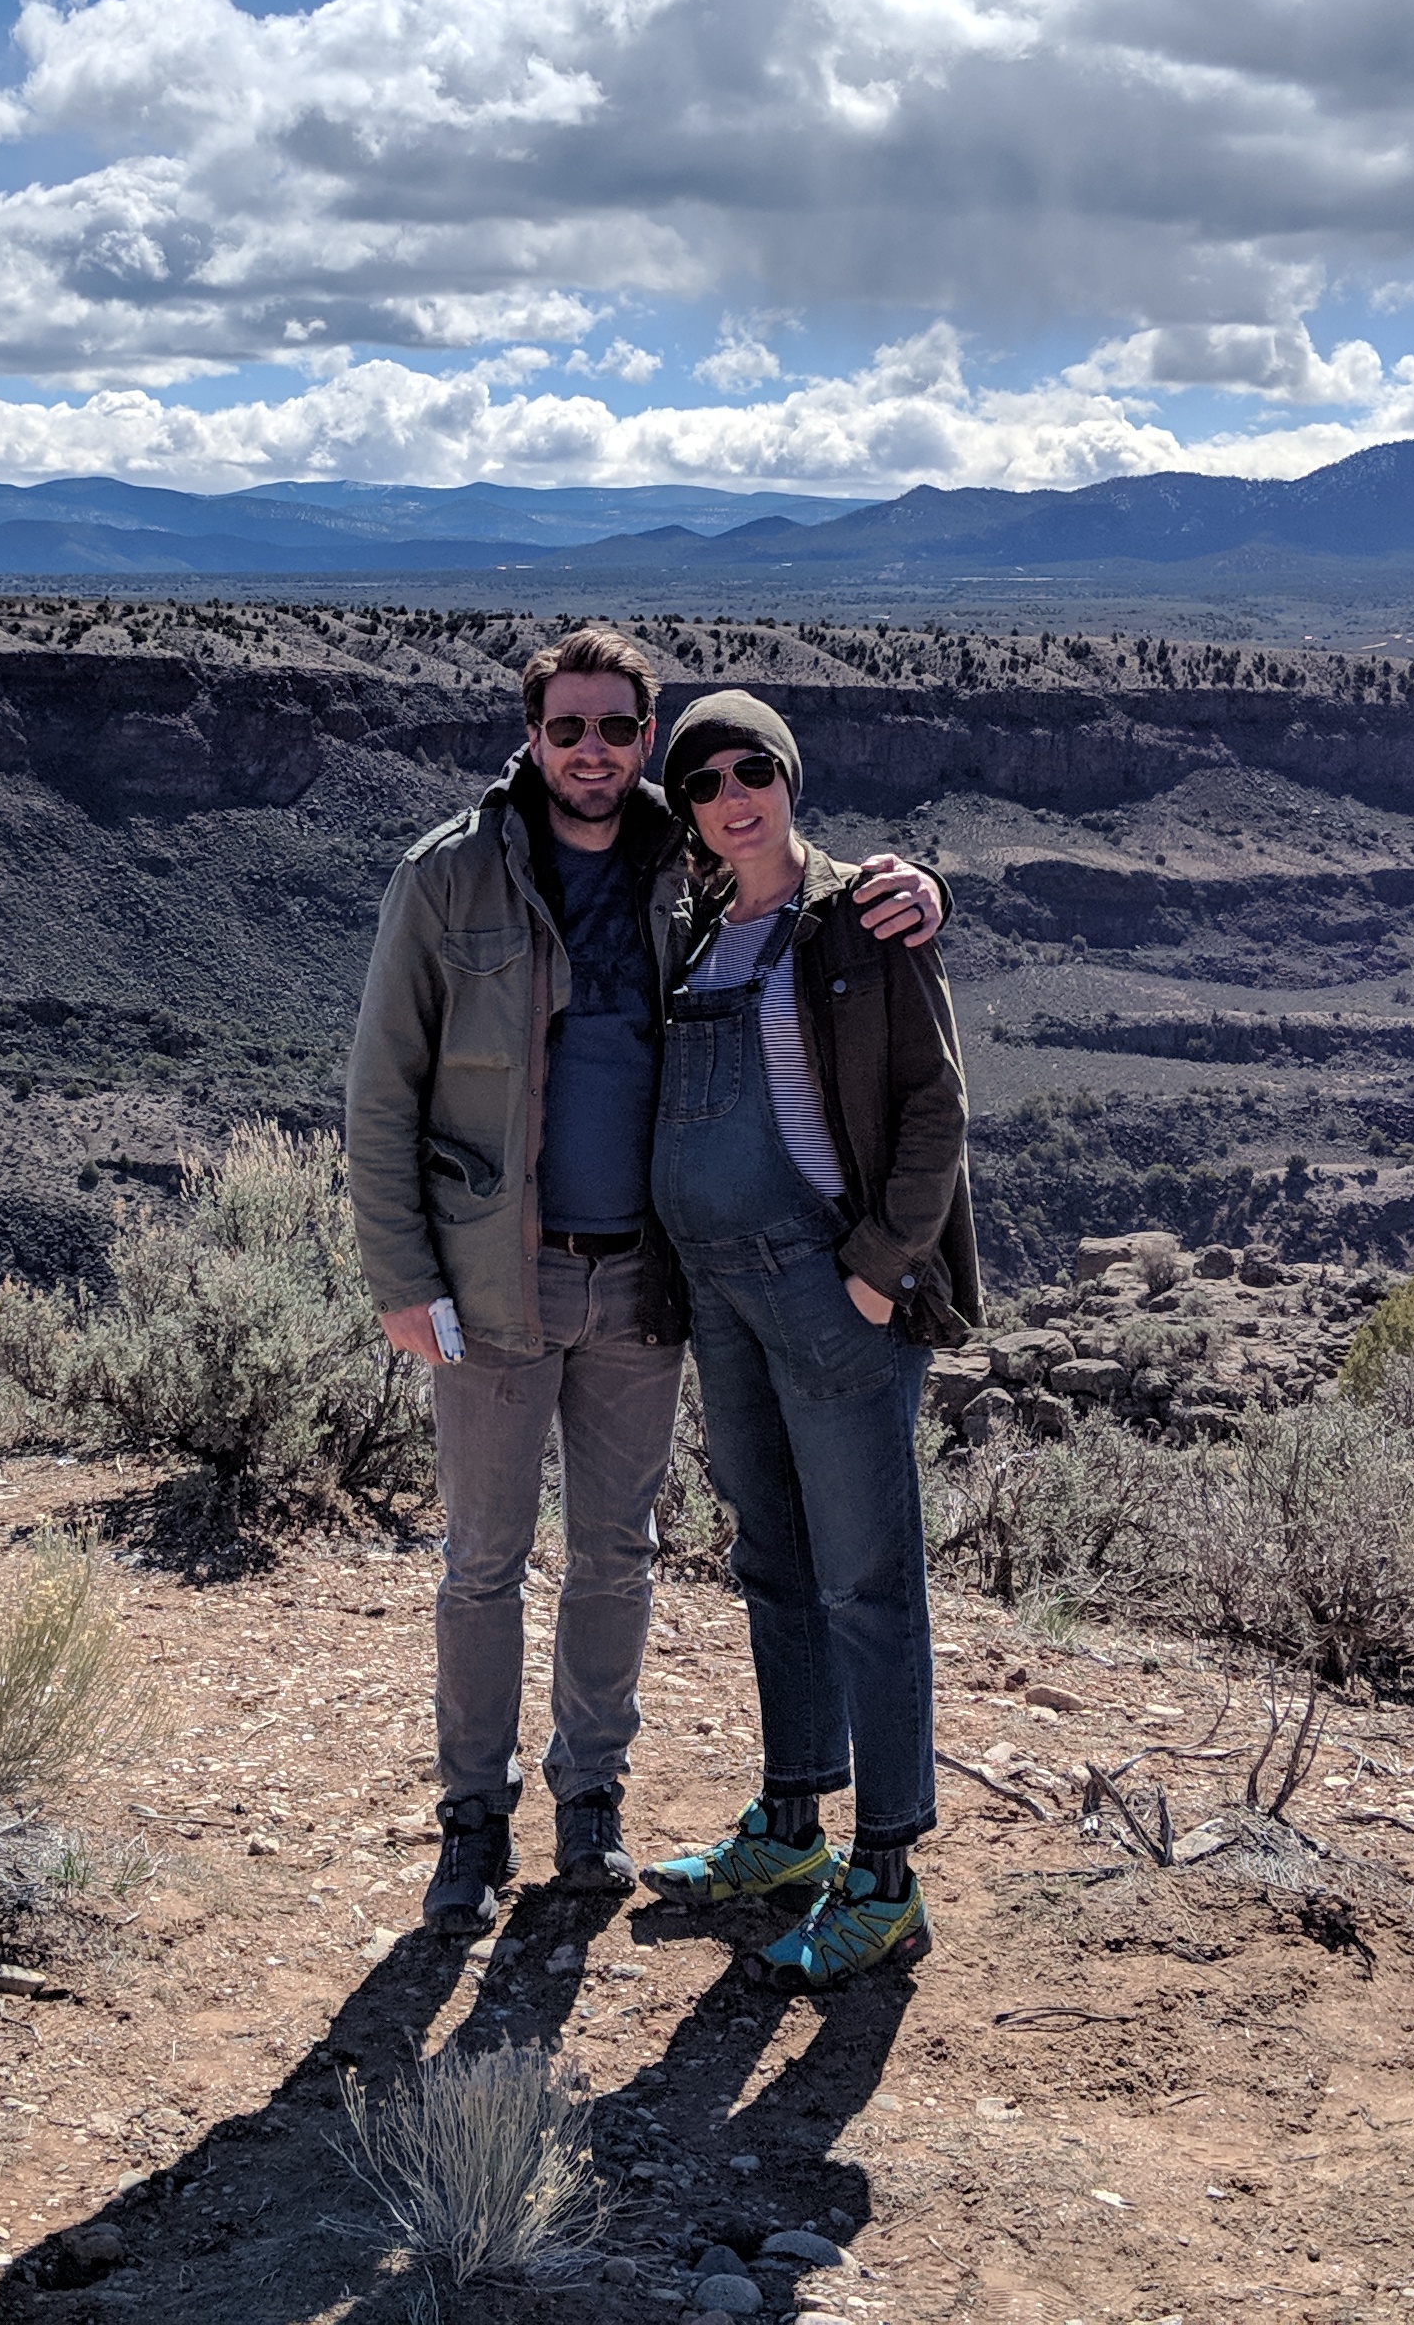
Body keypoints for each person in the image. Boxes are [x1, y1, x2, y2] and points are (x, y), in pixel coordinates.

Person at [344, 628, 942, 1934]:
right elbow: (381, 1087)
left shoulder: (685, 860)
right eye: (569, 729)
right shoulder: (448, 878)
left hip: (652, 1289)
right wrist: (401, 1274)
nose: (594, 752)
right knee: (483, 1564)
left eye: (619, 729)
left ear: (640, 736)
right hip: (497, 1280)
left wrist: (908, 888)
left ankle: (592, 1809)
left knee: (616, 1558)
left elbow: (797, 878)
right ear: (533, 734)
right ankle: (472, 1821)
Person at [633, 688, 980, 1991]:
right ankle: (789, 1825)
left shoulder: (860, 918)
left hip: (827, 1291)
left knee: (867, 1582)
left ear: (789, 778)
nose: (735, 796)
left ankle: (885, 1875)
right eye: (708, 780)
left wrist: (885, 1274)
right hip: (722, 1295)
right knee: (773, 1562)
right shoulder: (703, 928)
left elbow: (936, 1104)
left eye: (754, 769)